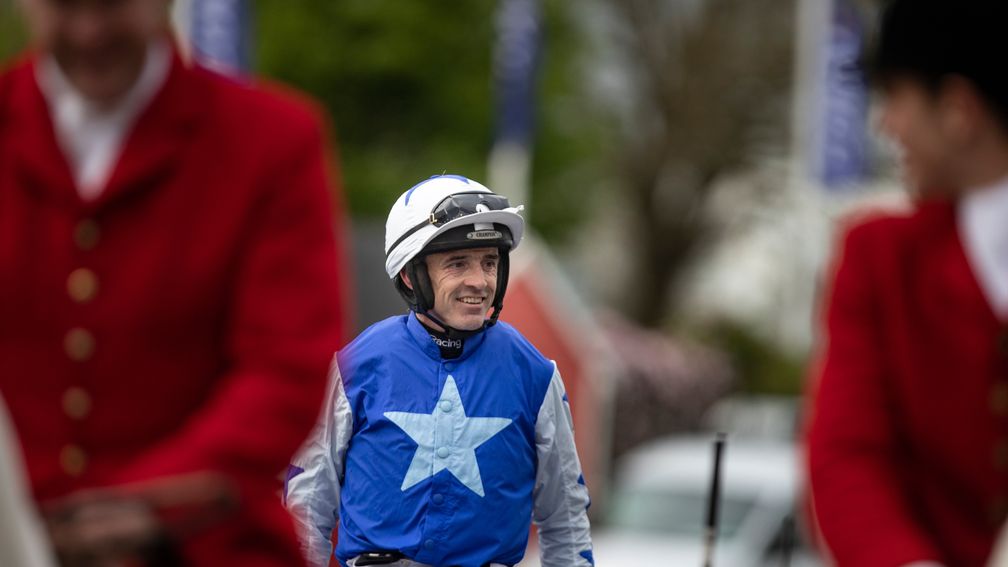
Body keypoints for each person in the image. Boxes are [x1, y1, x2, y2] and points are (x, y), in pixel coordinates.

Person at [0, 0, 347, 565]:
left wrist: (146, 507)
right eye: (64, 6)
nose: (89, 31)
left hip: (201, 544)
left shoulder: (272, 139)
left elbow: (284, 367)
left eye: (114, 6)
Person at [285, 174, 593, 567]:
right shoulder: (355, 366)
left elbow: (566, 521)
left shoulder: (535, 374)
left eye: (489, 262)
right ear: (410, 275)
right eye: (457, 263)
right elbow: (306, 505)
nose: (479, 281)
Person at [805, 1, 1008, 566]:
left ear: (959, 109)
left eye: (895, 96)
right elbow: (848, 458)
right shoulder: (877, 257)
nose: (883, 125)